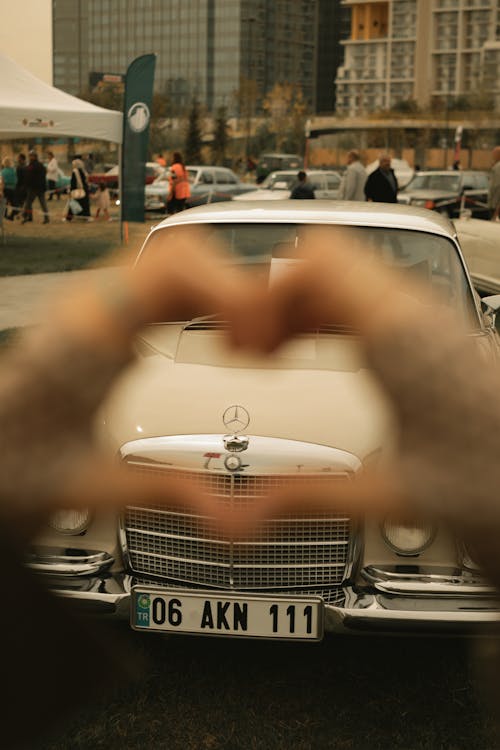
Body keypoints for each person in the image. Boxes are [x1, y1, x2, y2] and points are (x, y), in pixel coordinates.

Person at [22, 149, 49, 224]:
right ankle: (29, 217)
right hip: (38, 187)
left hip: (34, 188)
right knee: (33, 203)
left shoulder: (33, 165)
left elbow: (29, 177)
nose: (30, 157)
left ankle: (25, 216)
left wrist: (27, 185)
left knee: (29, 203)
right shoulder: (39, 165)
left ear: (34, 156)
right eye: (30, 155)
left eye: (31, 156)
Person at [11, 153, 27, 220]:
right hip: (25, 187)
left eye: (18, 158)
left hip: (19, 187)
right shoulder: (26, 166)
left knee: (17, 202)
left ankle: (18, 214)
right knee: (22, 202)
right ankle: (21, 215)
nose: (17, 159)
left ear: (21, 159)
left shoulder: (19, 167)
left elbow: (18, 178)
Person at [488, 146, 500, 222]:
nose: (493, 156)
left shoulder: (498, 167)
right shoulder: (496, 166)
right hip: (494, 204)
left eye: (494, 154)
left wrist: (497, 210)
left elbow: (498, 187)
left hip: (496, 205)